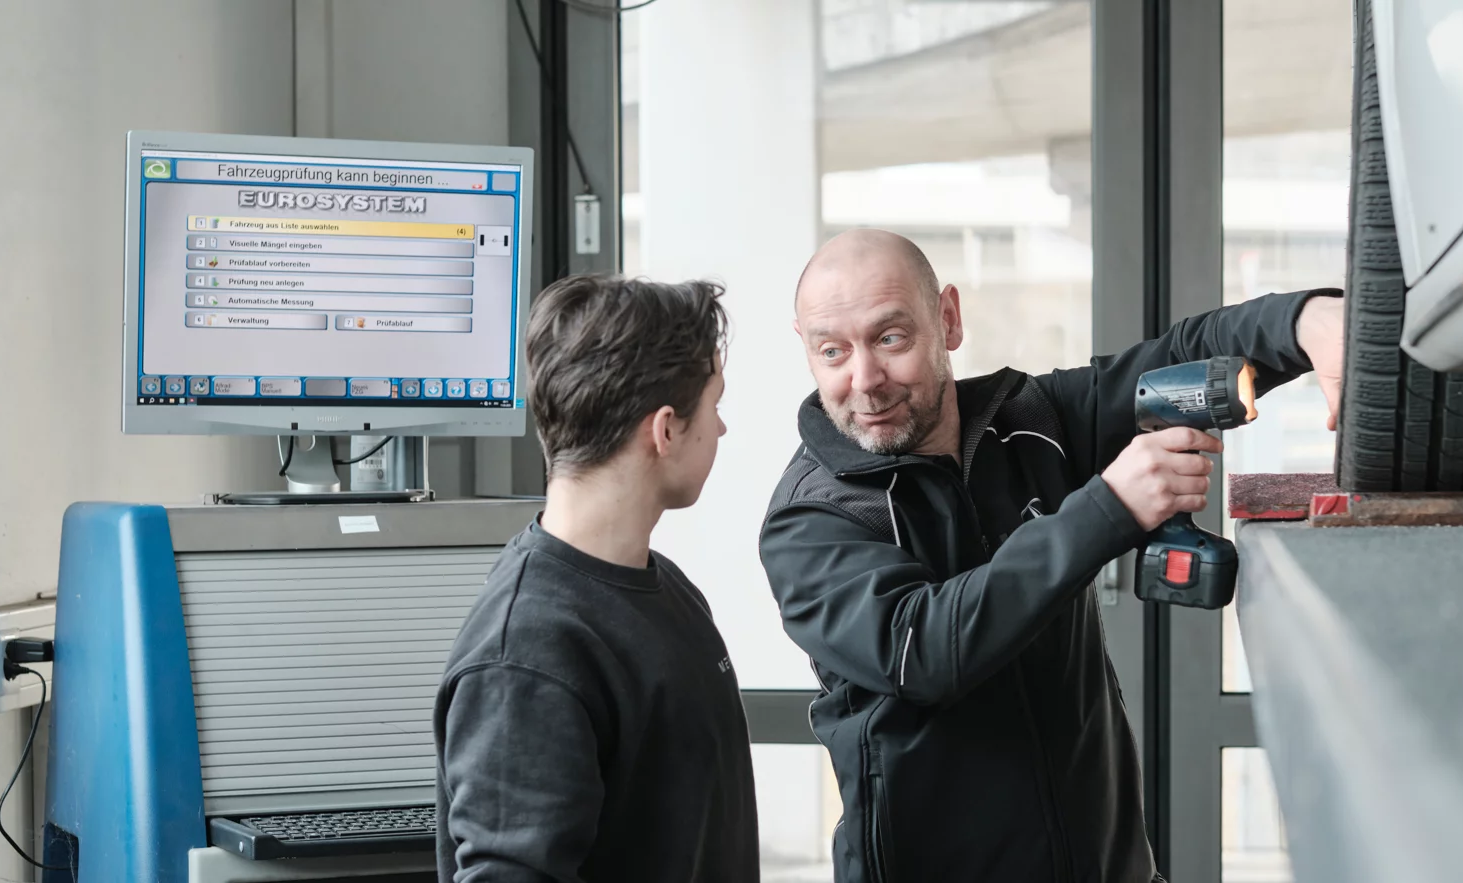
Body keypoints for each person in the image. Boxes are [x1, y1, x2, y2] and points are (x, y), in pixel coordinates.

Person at [759, 229, 1345, 883]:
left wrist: (1305, 322)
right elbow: (922, 649)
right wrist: (1109, 507)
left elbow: (1183, 358)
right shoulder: (810, 519)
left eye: (890, 339)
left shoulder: (1035, 420)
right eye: (832, 350)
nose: (863, 379)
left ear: (947, 319)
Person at [435, 274, 758, 881]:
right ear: (664, 430)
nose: (720, 429)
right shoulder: (528, 654)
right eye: (715, 405)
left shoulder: (668, 591)